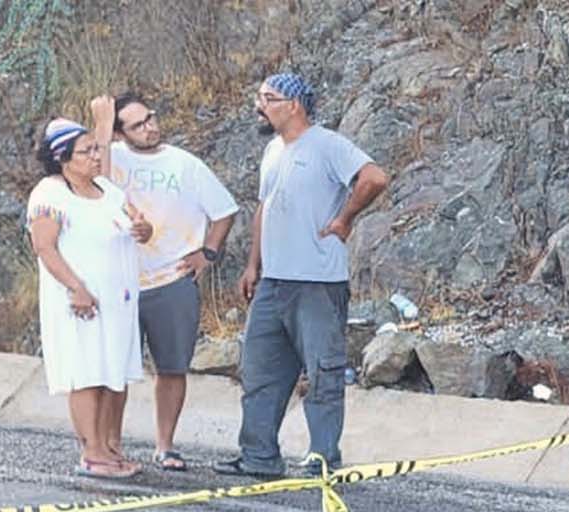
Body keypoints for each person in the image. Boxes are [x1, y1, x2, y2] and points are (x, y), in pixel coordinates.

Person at [217, 72, 390, 479]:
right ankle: (259, 457)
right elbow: (264, 208)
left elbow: (375, 177)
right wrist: (253, 264)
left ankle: (323, 457)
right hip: (273, 280)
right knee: (259, 371)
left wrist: (345, 218)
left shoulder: (327, 144)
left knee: (323, 372)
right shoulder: (273, 151)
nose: (259, 106)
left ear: (293, 105)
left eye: (268, 98)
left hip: (317, 281)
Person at [109, 94, 239, 471]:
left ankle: (165, 446)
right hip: (121, 279)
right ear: (120, 132)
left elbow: (224, 211)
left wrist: (207, 252)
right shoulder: (109, 158)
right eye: (137, 124)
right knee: (115, 369)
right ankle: (111, 445)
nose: (149, 126)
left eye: (150, 117)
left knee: (172, 367)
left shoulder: (185, 164)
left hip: (171, 278)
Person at [26, 96, 154, 479]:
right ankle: (93, 452)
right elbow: (43, 246)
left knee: (114, 372)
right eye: (86, 152)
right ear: (63, 158)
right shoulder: (50, 194)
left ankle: (112, 446)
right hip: (81, 300)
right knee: (87, 373)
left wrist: (144, 230)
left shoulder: (108, 192)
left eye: (96, 149)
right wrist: (76, 288)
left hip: (118, 300)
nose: (96, 156)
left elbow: (137, 227)